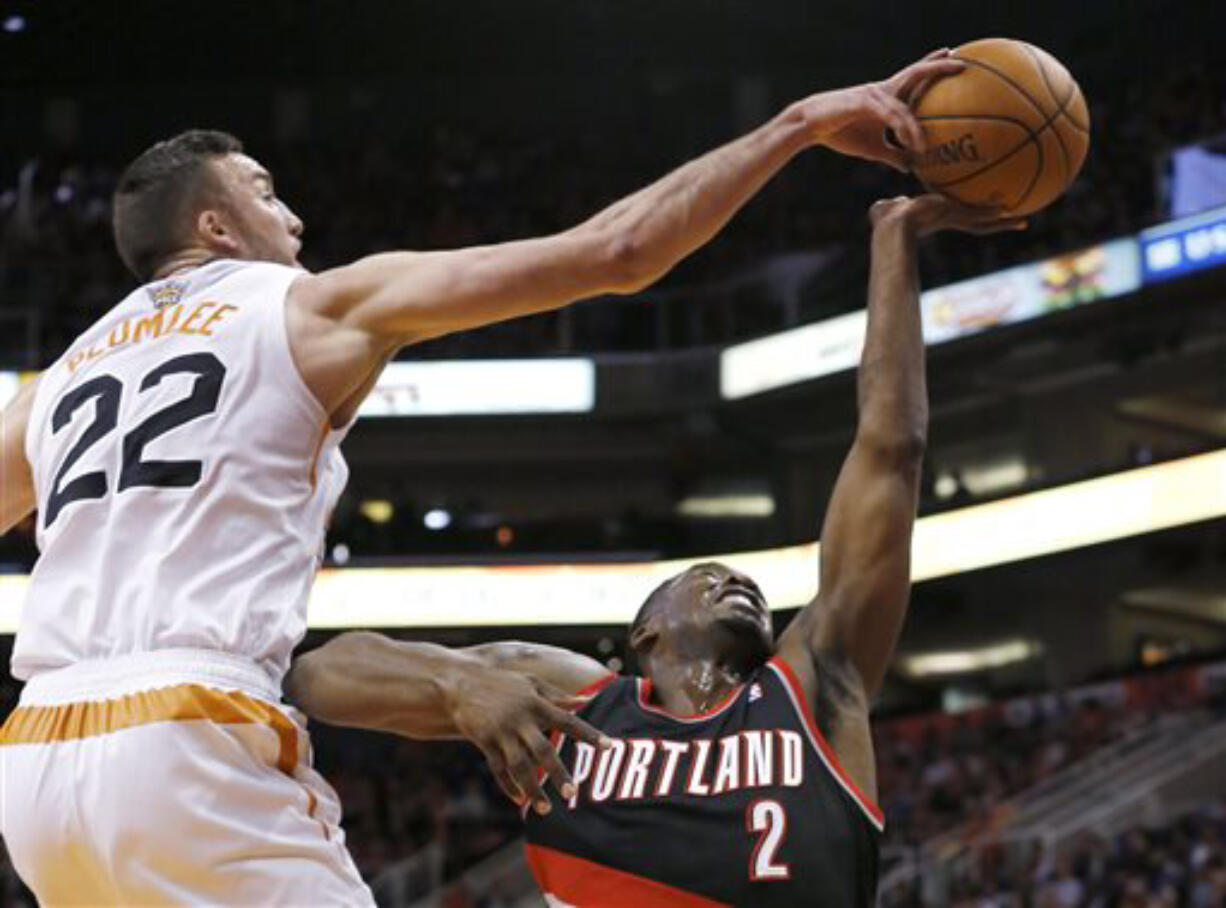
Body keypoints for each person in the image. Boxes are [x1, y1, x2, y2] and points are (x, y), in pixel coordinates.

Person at [0, 49, 966, 904]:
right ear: (215, 225)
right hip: (191, 729)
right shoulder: (306, 304)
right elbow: (618, 252)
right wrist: (799, 125)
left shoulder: (61, 376)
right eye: (263, 191)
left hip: (37, 764)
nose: (292, 216)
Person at [287, 194, 1026, 906]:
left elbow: (892, 450)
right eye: (706, 579)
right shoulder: (575, 701)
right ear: (644, 632)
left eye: (742, 582)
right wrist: (457, 682)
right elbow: (319, 676)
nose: (738, 580)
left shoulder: (811, 684)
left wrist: (894, 237)